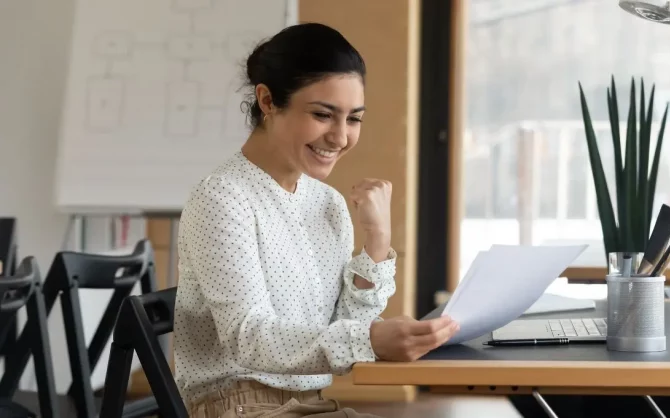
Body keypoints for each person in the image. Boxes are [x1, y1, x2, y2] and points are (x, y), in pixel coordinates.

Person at [172, 22, 460, 418]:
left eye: (354, 118)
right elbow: (249, 339)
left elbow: (343, 328)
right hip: (239, 409)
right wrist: (372, 339)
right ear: (268, 101)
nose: (340, 137)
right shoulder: (222, 198)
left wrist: (377, 240)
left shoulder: (328, 203)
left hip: (313, 407)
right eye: (323, 114)